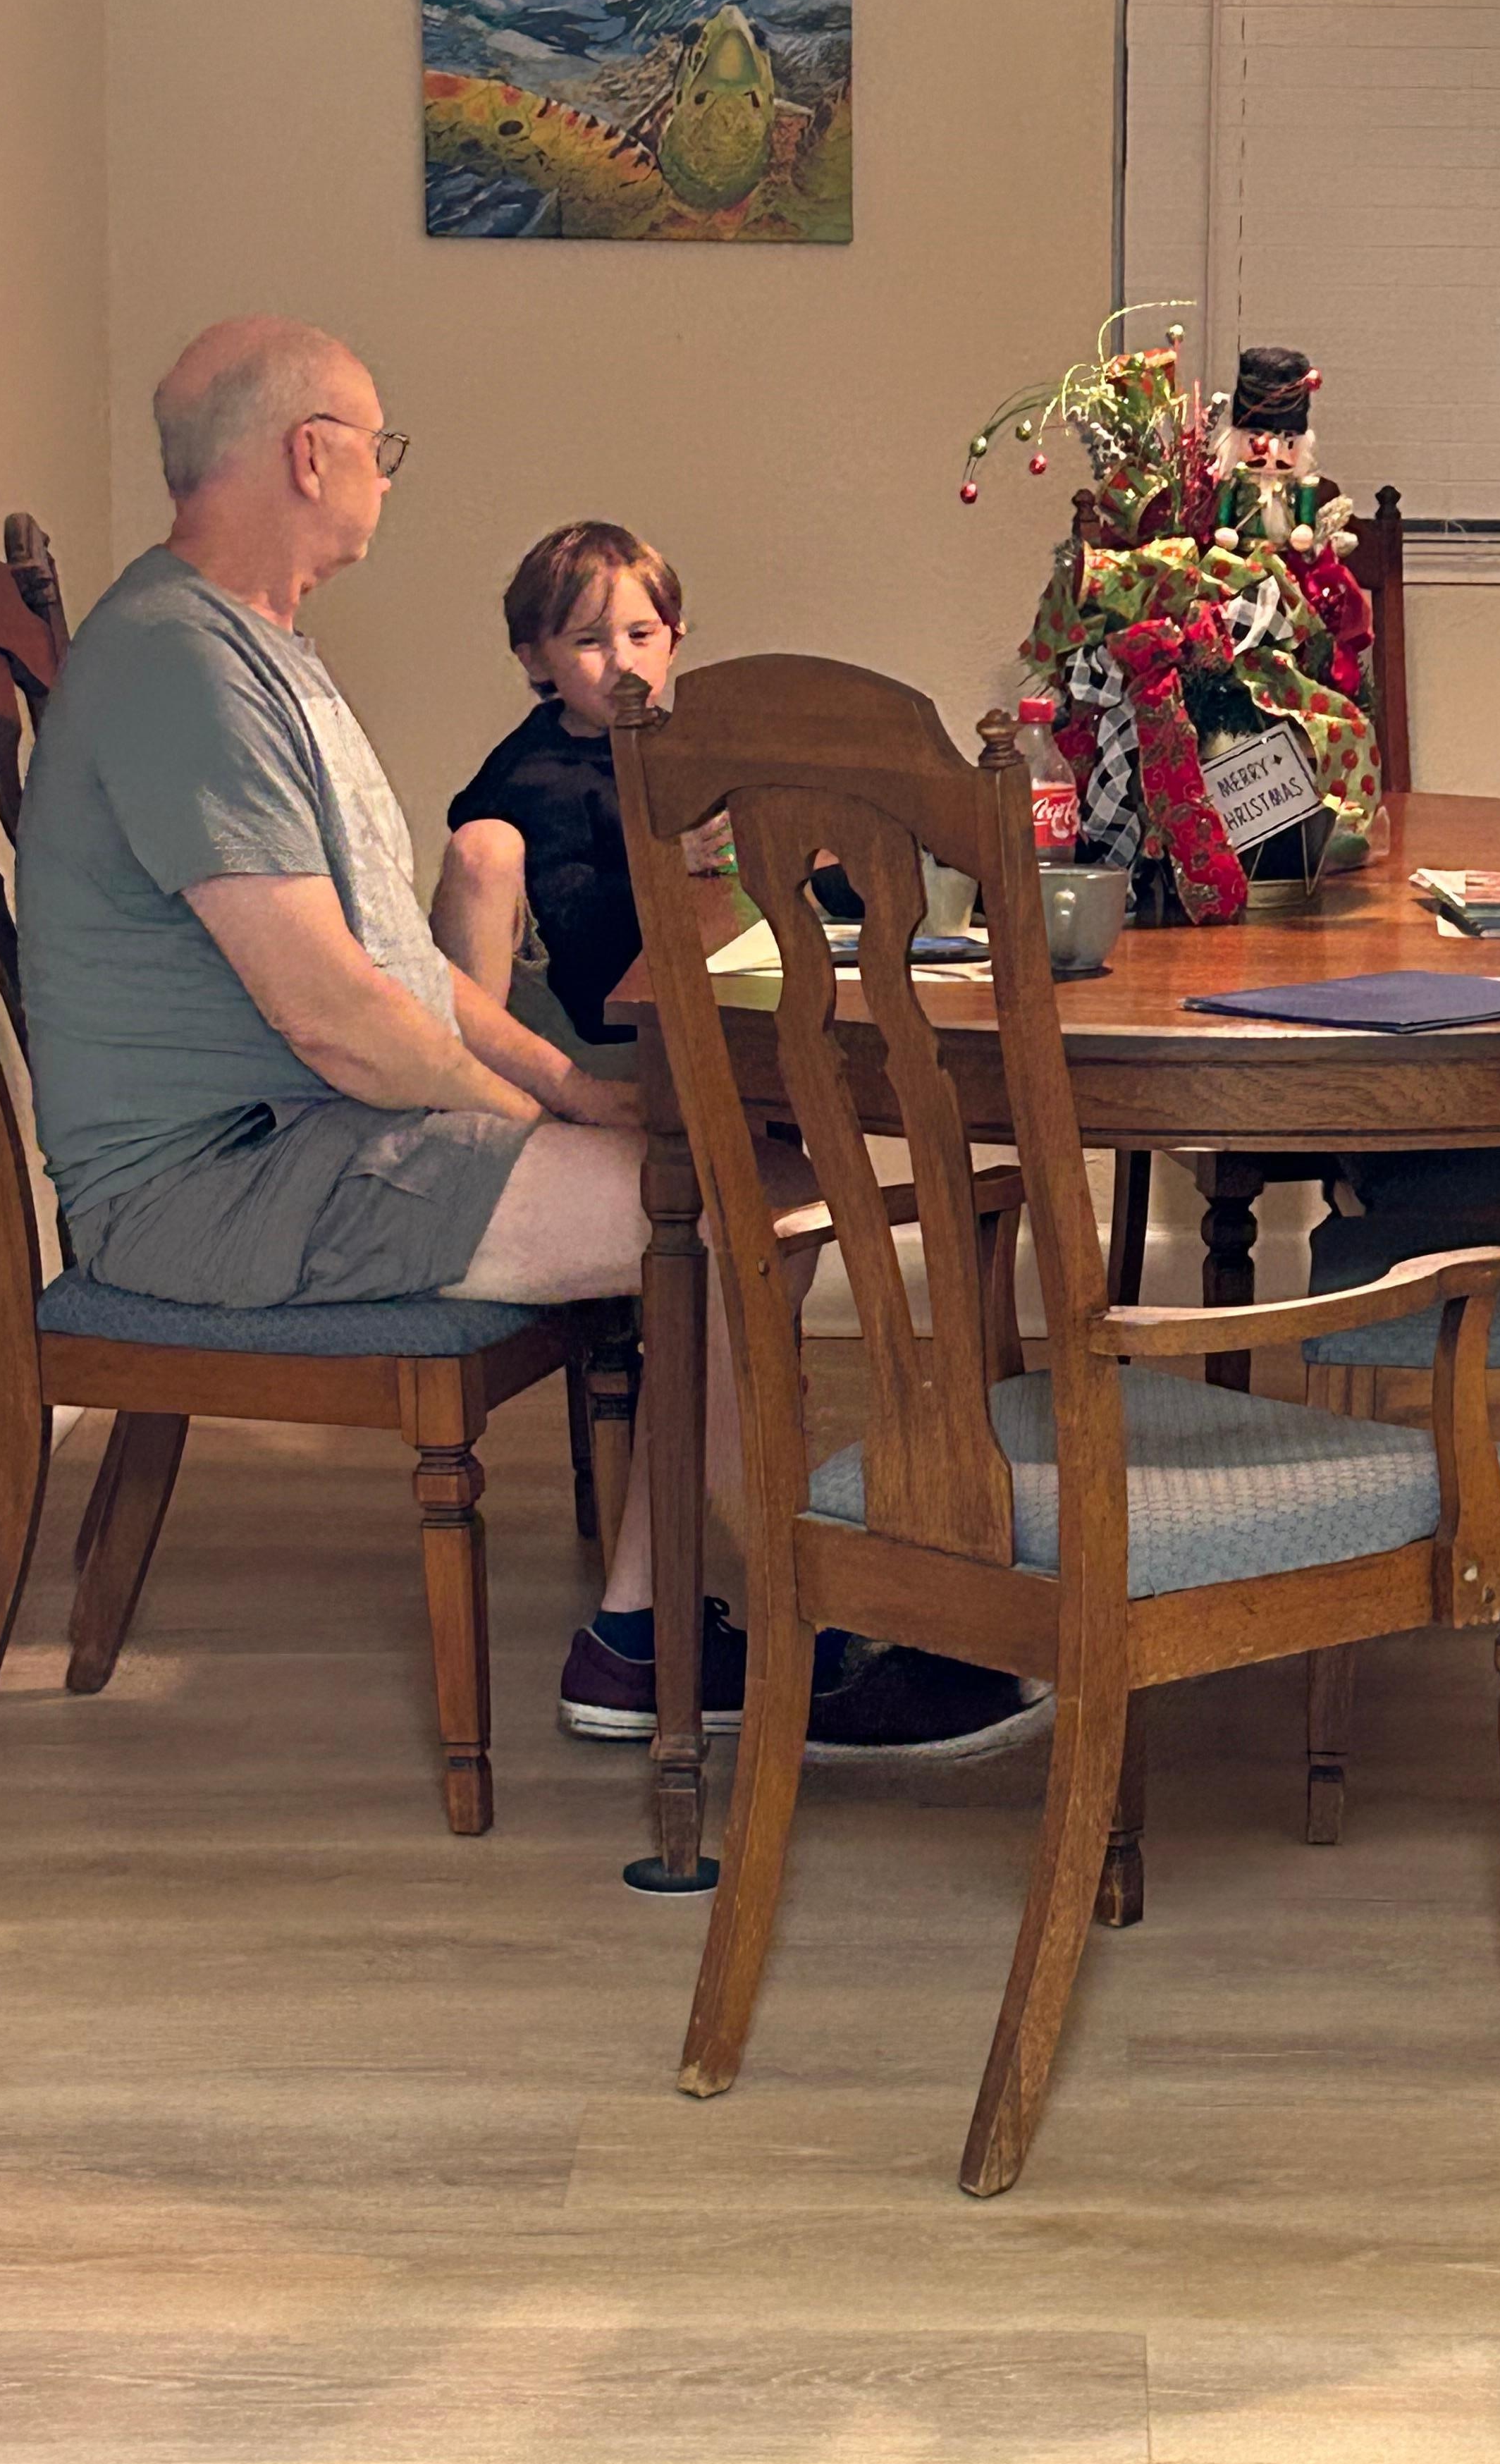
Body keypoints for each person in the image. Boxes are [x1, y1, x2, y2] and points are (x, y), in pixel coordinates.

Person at [16, 318, 1035, 1759]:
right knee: (747, 1198)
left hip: (308, 1146)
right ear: (311, 456)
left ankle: (661, 1625)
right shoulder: (185, 669)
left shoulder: (259, 655)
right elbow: (336, 1023)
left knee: (738, 1163)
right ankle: (741, 1626)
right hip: (227, 1187)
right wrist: (545, 1126)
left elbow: (400, 983)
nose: (386, 474)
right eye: (380, 445)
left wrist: (571, 1086)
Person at [432, 513, 1046, 1759]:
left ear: (681, 639)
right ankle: (793, 1589)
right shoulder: (525, 791)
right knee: (769, 1217)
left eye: (645, 634)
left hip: (682, 1060)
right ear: (534, 659)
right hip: (603, 1073)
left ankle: (688, 1606)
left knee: (796, 1183)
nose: (623, 663)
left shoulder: (674, 755)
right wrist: (699, 856)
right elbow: (606, 946)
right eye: (588, 640)